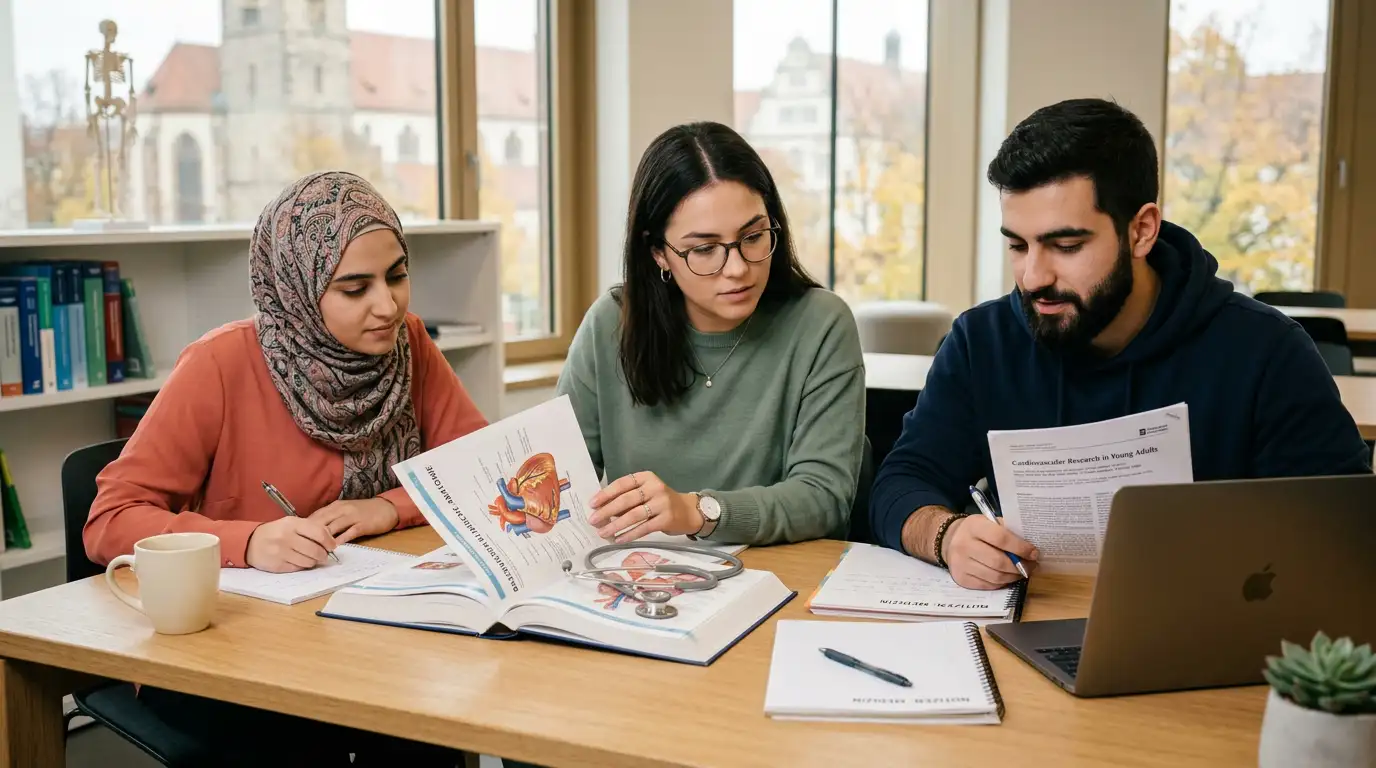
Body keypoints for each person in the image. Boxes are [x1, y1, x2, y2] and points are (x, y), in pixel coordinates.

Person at [870, 98, 1370, 590]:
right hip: (1027, 630)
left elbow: (1343, 534)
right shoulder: (981, 343)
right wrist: (947, 535)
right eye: (1019, 246)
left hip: (1206, 639)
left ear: (1142, 231)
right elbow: (900, 483)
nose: (1033, 276)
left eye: (1066, 246)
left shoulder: (1266, 352)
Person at [84, 171, 485, 765]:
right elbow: (109, 520)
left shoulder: (409, 345)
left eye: (397, 276)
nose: (388, 304)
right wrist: (249, 541)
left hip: (365, 633)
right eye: (355, 288)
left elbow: (479, 471)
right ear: (295, 288)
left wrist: (387, 507)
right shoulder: (219, 365)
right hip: (232, 650)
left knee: (439, 713)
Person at [556, 121, 865, 546]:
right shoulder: (611, 323)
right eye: (704, 249)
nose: (737, 268)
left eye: (753, 236)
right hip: (644, 580)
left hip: (779, 578)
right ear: (659, 253)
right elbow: (562, 482)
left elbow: (824, 498)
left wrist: (697, 511)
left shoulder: (821, 324)